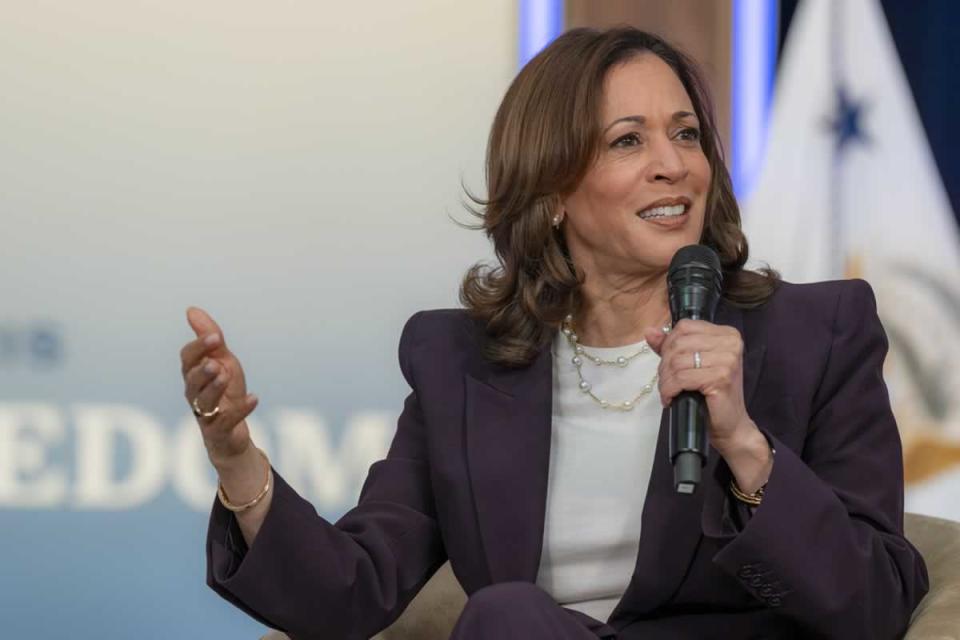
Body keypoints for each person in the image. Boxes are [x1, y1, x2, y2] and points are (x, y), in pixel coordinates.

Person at [181, 27, 928, 639]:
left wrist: (746, 448)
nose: (673, 166)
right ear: (554, 191)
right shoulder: (464, 365)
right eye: (629, 141)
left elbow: (876, 604)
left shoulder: (813, 335)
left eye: (687, 134)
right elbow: (349, 594)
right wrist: (238, 462)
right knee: (509, 620)